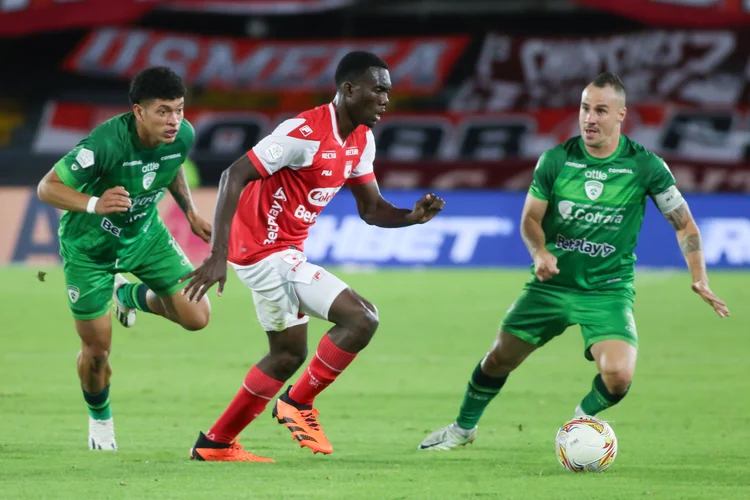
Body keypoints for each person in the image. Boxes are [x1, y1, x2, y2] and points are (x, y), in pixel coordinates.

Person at [418, 72, 730, 451]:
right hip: (550, 286)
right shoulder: (555, 160)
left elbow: (684, 224)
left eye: (601, 110)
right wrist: (540, 252)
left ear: (621, 116)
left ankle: (579, 424)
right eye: (585, 108)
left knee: (617, 375)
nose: (590, 118)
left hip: (607, 289)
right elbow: (531, 219)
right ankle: (461, 429)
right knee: (499, 359)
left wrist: (699, 277)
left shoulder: (645, 166)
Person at [181, 51, 446, 462]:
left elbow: (372, 210)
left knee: (287, 353)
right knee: (362, 317)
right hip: (264, 253)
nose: (385, 100)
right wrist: (217, 253)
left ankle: (215, 444)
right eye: (378, 89)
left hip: (281, 252)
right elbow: (233, 175)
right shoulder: (303, 131)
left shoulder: (361, 139)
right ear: (348, 89)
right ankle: (298, 404)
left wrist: (411, 217)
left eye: (388, 92)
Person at [37, 66, 213, 451]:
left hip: (145, 236)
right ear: (138, 112)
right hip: (90, 249)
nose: (174, 121)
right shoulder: (103, 144)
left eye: (179, 110)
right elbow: (46, 187)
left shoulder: (182, 135)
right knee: (98, 352)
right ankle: (100, 421)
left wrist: (190, 212)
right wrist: (96, 203)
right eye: (164, 111)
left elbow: (170, 167)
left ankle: (128, 296)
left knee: (197, 317)